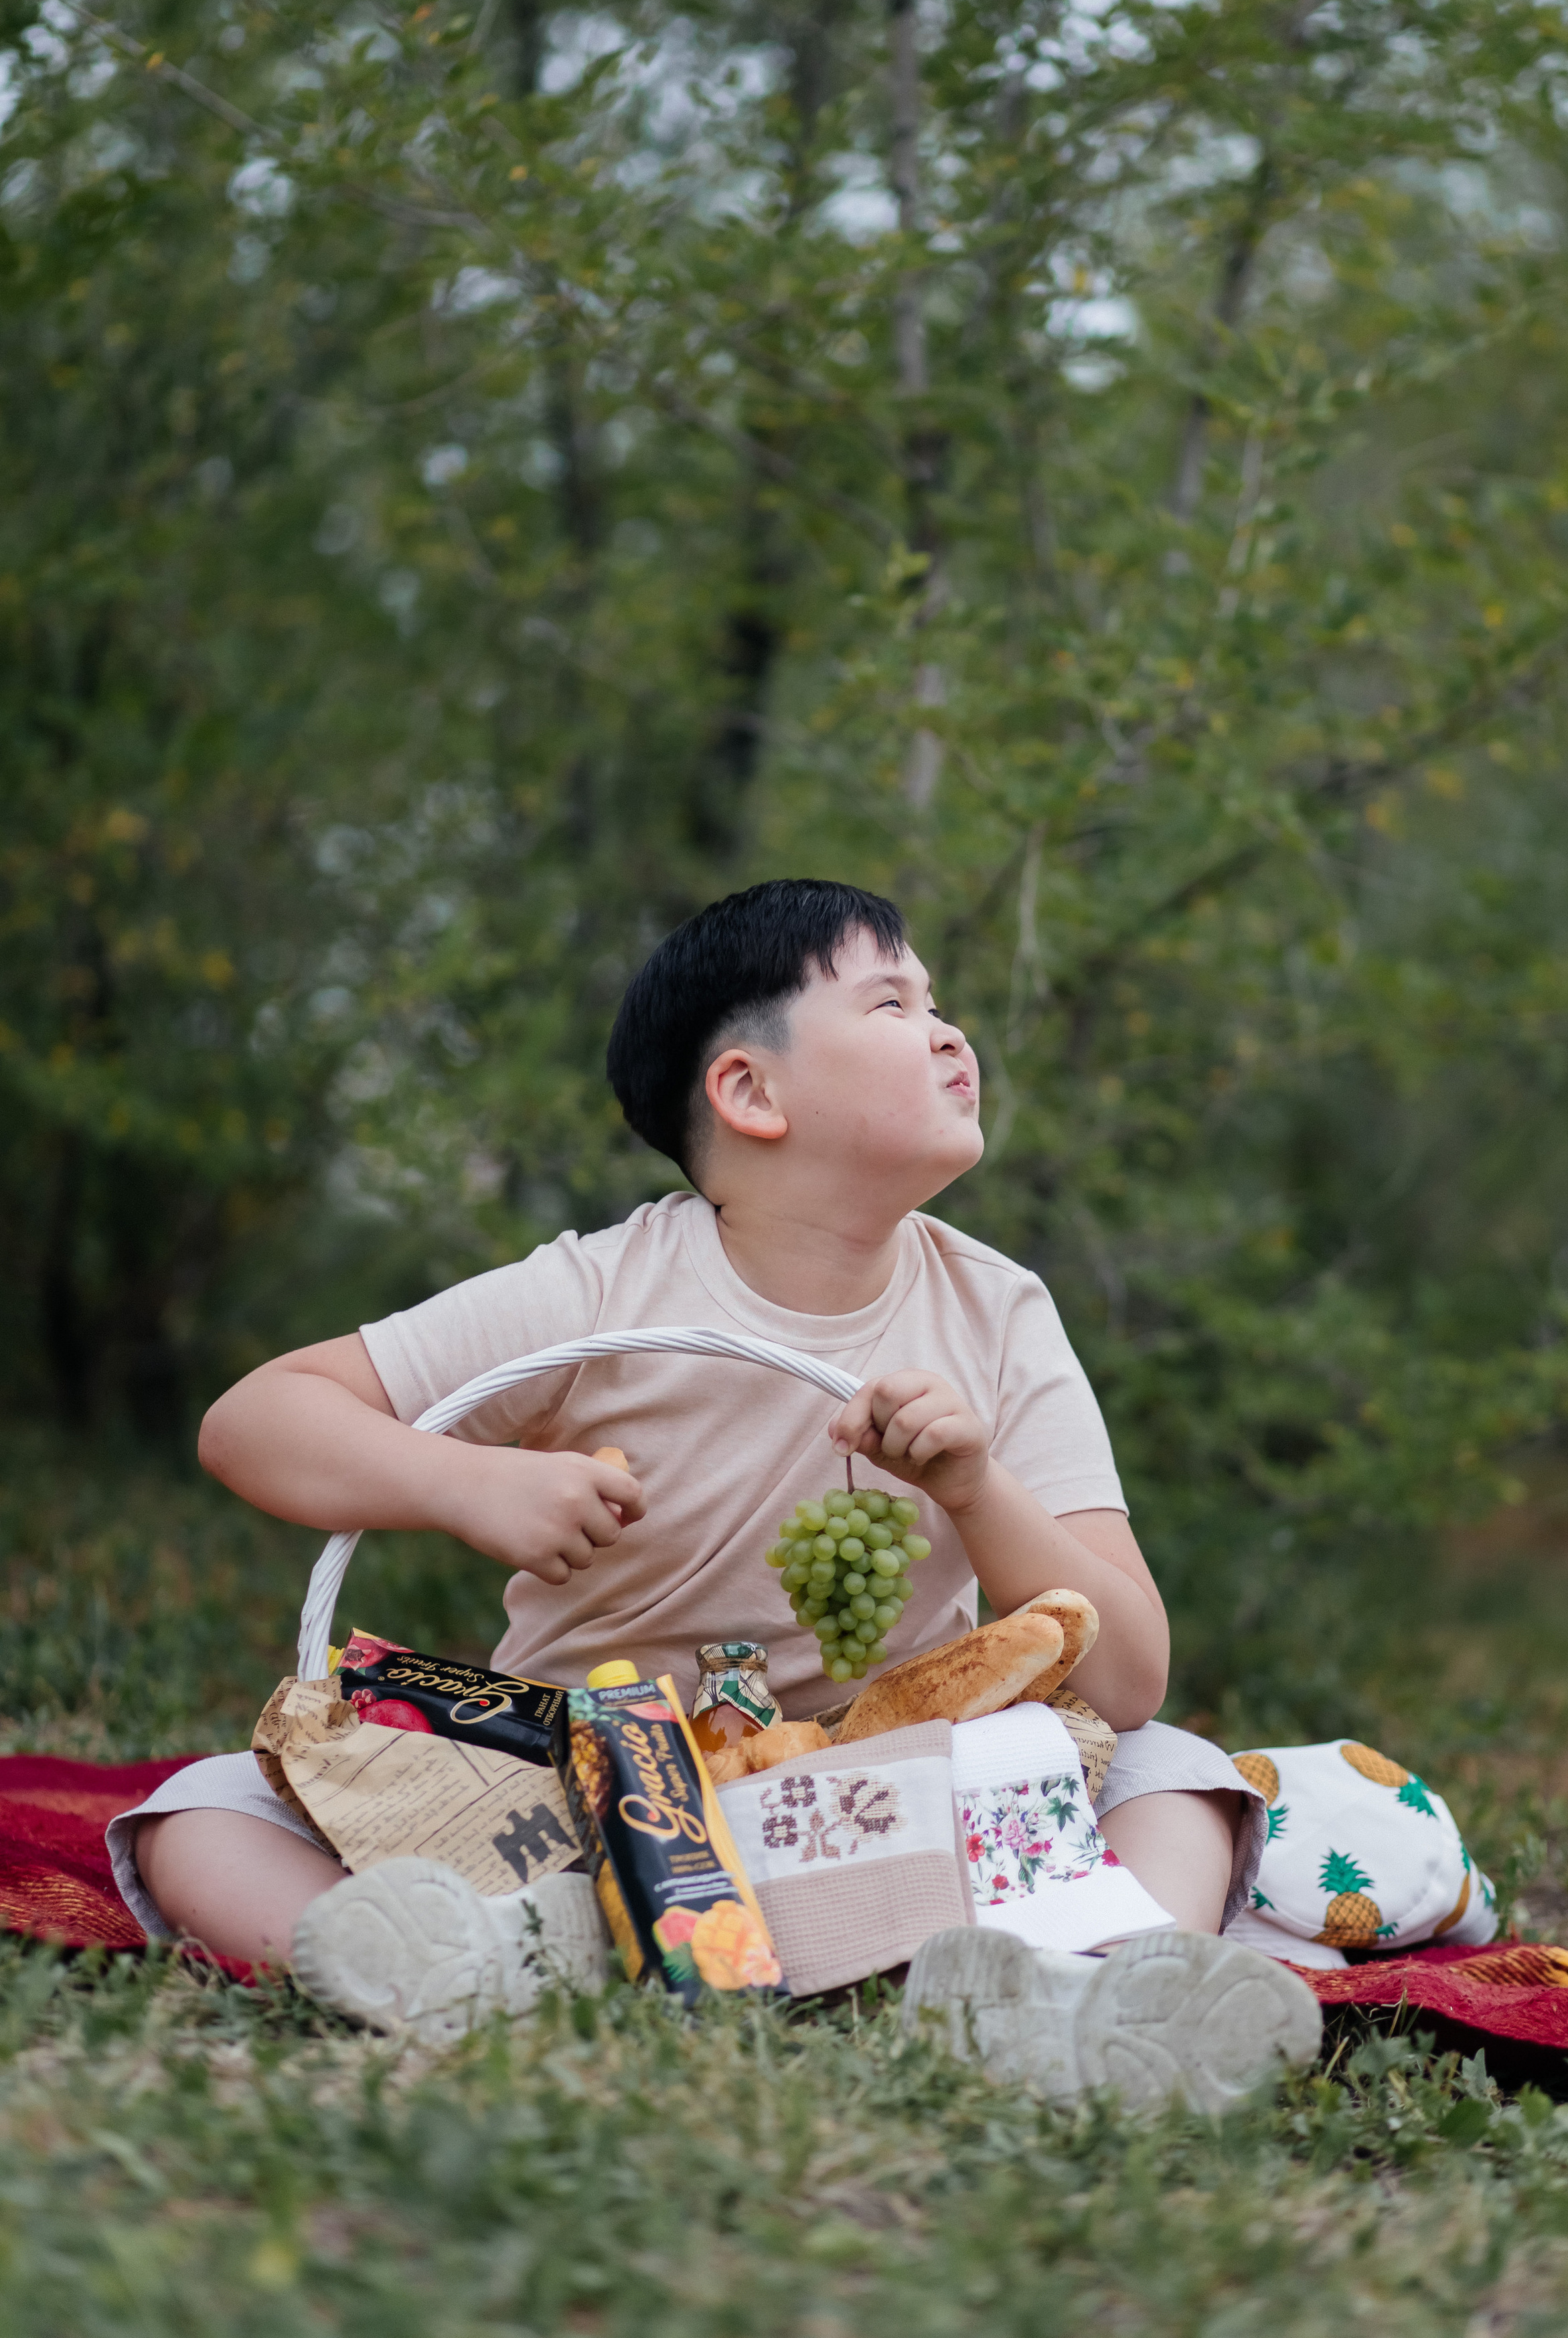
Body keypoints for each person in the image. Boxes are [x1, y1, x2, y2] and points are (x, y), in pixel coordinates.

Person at [108, 878, 1316, 2102]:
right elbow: (255, 1421)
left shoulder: (997, 1312)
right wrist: (469, 1481)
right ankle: (479, 1967)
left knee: (1177, 1776)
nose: (951, 1032)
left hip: (883, 1802)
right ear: (751, 1093)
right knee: (203, 1812)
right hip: (589, 1802)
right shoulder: (599, 1292)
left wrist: (975, 1487)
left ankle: (1082, 1995)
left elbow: (1128, 1675)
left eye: (939, 1001)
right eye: (893, 1004)